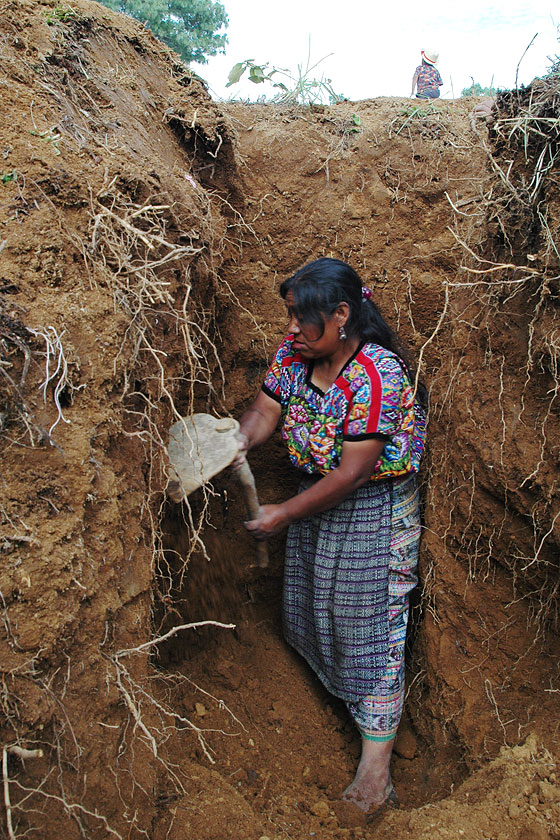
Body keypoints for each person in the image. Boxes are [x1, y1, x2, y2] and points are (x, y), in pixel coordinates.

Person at [234, 258, 427, 818]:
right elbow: (267, 409)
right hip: (316, 500)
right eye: (290, 315)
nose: (291, 328)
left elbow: (354, 472)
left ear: (342, 315)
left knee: (370, 621)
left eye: (303, 318)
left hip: (371, 508)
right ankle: (332, 701)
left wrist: (284, 514)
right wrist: (238, 441)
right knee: (319, 608)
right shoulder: (296, 354)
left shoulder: (376, 376)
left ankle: (376, 770)